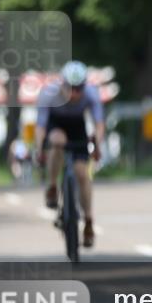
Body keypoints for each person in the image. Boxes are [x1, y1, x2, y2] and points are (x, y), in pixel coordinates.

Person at [35, 61, 105, 248]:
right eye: (70, 88)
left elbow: (99, 125)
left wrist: (97, 146)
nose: (74, 94)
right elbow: (41, 127)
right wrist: (40, 149)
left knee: (83, 174)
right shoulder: (48, 94)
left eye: (79, 89)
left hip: (77, 127)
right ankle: (52, 186)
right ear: (62, 84)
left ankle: (88, 221)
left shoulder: (91, 94)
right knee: (57, 141)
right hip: (56, 125)